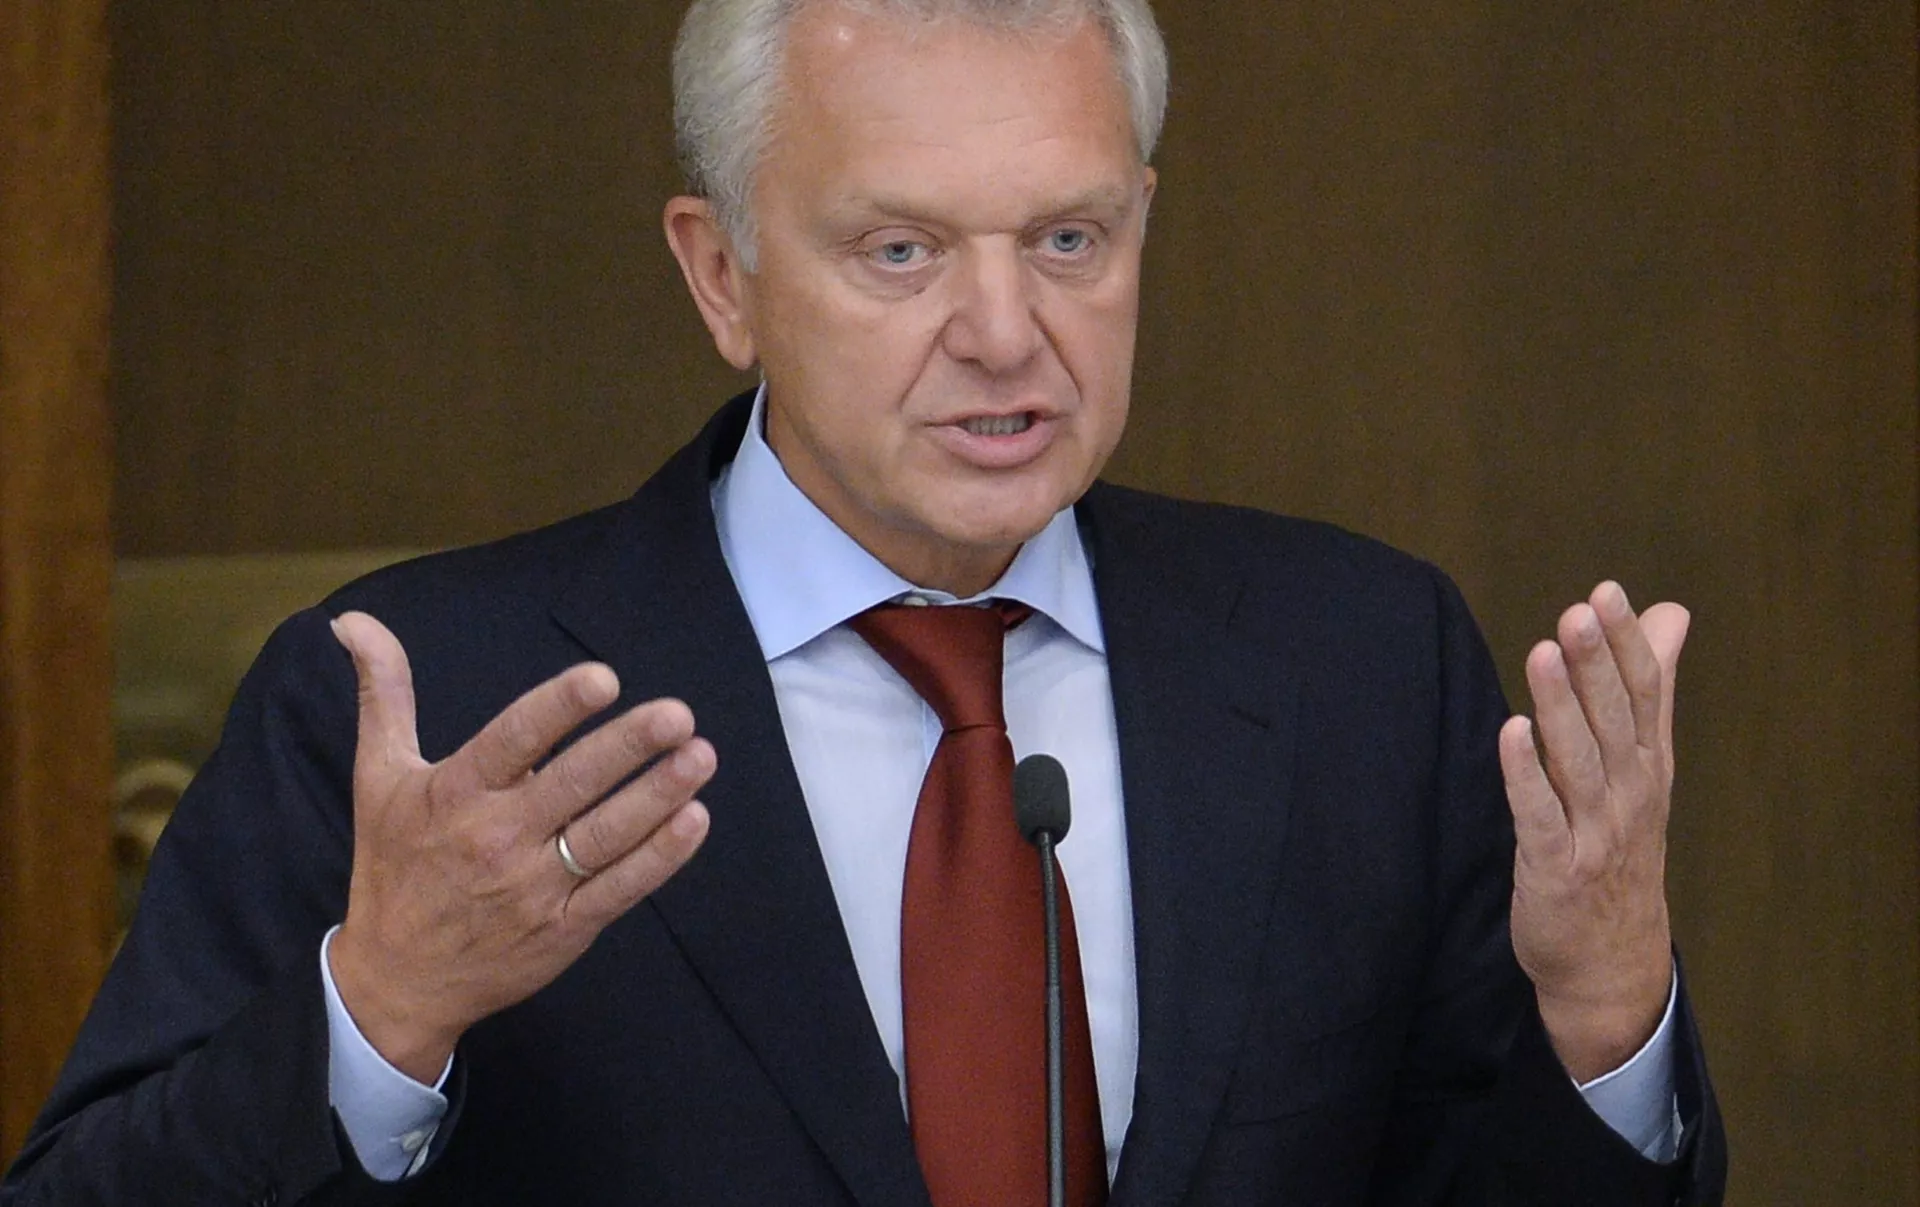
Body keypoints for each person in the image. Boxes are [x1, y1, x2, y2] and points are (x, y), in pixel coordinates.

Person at [1, 0, 1726, 1203]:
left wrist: (1605, 1021)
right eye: (901, 251)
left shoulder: (1361, 665)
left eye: (1069, 240)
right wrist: (381, 1011)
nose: (1005, 331)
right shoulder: (430, 699)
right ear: (722, 275)